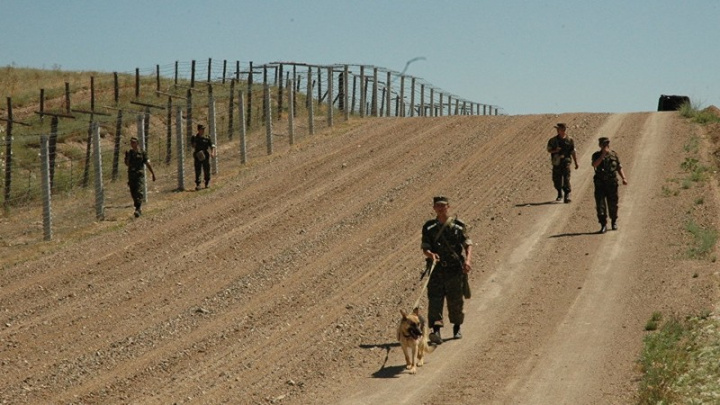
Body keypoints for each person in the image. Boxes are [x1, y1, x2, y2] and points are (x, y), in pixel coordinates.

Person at [421, 196, 473, 344]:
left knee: (455, 300)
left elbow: (467, 244)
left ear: (448, 207)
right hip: (436, 270)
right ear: (434, 208)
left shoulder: (458, 226)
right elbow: (425, 248)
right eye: (437, 206)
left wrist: (468, 260)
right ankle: (436, 331)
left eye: (443, 206)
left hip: (454, 269)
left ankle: (457, 328)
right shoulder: (429, 227)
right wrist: (431, 255)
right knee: (435, 300)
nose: (440, 208)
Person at [591, 137, 628, 233]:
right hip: (600, 183)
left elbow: (619, 167)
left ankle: (614, 221)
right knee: (600, 205)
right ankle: (603, 225)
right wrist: (602, 155)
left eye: (607, 144)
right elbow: (594, 165)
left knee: (613, 204)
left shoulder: (614, 155)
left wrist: (623, 178)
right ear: (600, 145)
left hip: (611, 183)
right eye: (603, 144)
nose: (605, 146)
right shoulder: (596, 155)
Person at [546, 123, 579, 203]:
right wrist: (555, 150)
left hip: (566, 162)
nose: (558, 130)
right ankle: (559, 193)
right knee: (556, 179)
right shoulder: (553, 140)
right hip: (557, 162)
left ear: (563, 130)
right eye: (557, 129)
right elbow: (549, 150)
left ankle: (566, 196)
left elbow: (572, 151)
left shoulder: (570, 140)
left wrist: (576, 162)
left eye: (559, 129)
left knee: (566, 178)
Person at [124, 136, 156, 218]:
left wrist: (153, 173)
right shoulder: (130, 153)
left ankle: (138, 209)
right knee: (133, 192)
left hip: (139, 175)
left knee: (139, 191)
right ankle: (137, 207)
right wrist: (127, 158)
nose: (132, 144)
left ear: (137, 143)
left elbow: (147, 163)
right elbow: (127, 164)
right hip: (131, 176)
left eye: (134, 142)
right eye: (131, 142)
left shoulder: (142, 153)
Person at [190, 124, 216, 191]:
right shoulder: (194, 137)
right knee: (198, 170)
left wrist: (212, 152)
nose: (203, 130)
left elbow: (212, 145)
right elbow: (192, 146)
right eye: (201, 129)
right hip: (198, 154)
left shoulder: (207, 137)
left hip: (205, 154)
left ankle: (207, 183)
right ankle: (198, 184)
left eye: (203, 129)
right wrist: (194, 143)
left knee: (206, 169)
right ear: (198, 130)